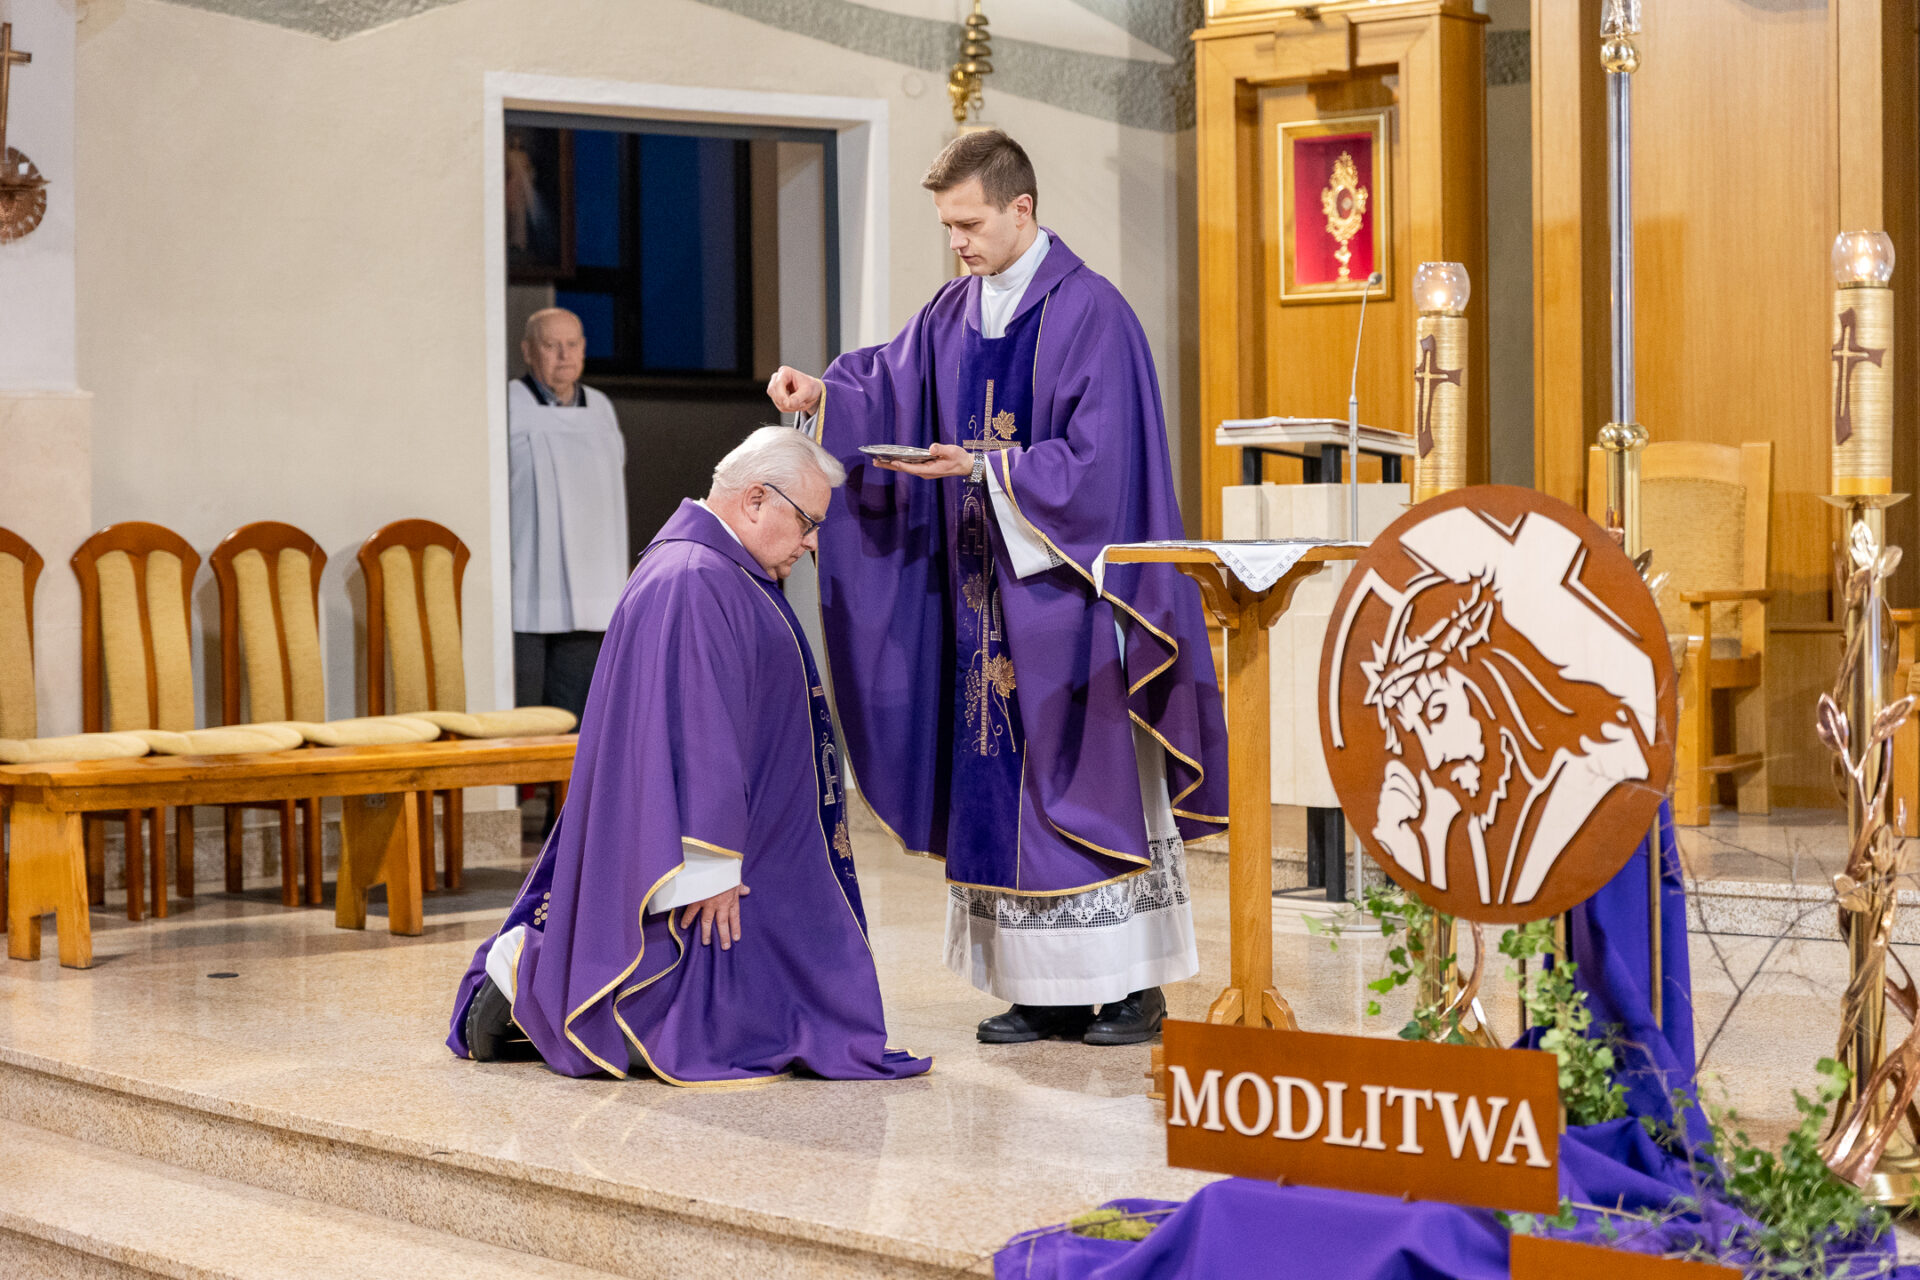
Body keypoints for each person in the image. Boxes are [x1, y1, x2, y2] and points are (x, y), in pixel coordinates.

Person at [766, 130, 1228, 1047]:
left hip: (1069, 598)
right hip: (981, 594)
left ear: (1023, 208)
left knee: (1089, 781)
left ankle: (1132, 988)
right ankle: (1040, 988)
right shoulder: (955, 310)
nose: (958, 243)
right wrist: (822, 395)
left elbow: (1105, 463)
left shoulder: (1092, 312)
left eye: (970, 224)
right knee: (994, 779)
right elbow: (890, 386)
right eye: (948, 226)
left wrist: (988, 468)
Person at [450, 427, 930, 1086]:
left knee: (768, 999)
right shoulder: (695, 578)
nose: (813, 543)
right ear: (756, 499)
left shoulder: (719, 569)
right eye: (809, 522)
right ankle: (524, 978)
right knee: (693, 1009)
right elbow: (697, 730)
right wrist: (711, 865)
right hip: (718, 845)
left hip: (759, 828)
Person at [509, 307, 629, 723]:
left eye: (572, 344)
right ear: (528, 350)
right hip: (529, 581)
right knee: (526, 709)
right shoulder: (509, 404)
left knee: (575, 712)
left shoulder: (601, 407)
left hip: (591, 588)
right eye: (551, 345)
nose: (564, 355)